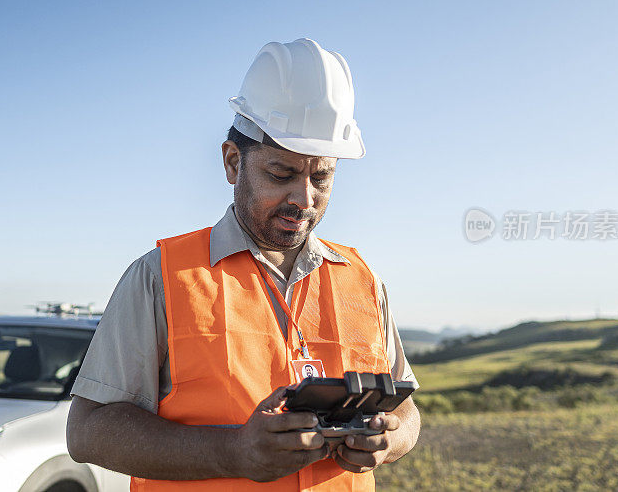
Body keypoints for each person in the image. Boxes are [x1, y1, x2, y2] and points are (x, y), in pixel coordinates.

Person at [66, 38, 421, 491]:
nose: (303, 199)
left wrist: (390, 439)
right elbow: (88, 431)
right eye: (281, 174)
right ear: (234, 163)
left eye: (321, 177)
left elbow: (405, 409)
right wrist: (232, 451)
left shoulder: (363, 280)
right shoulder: (160, 277)